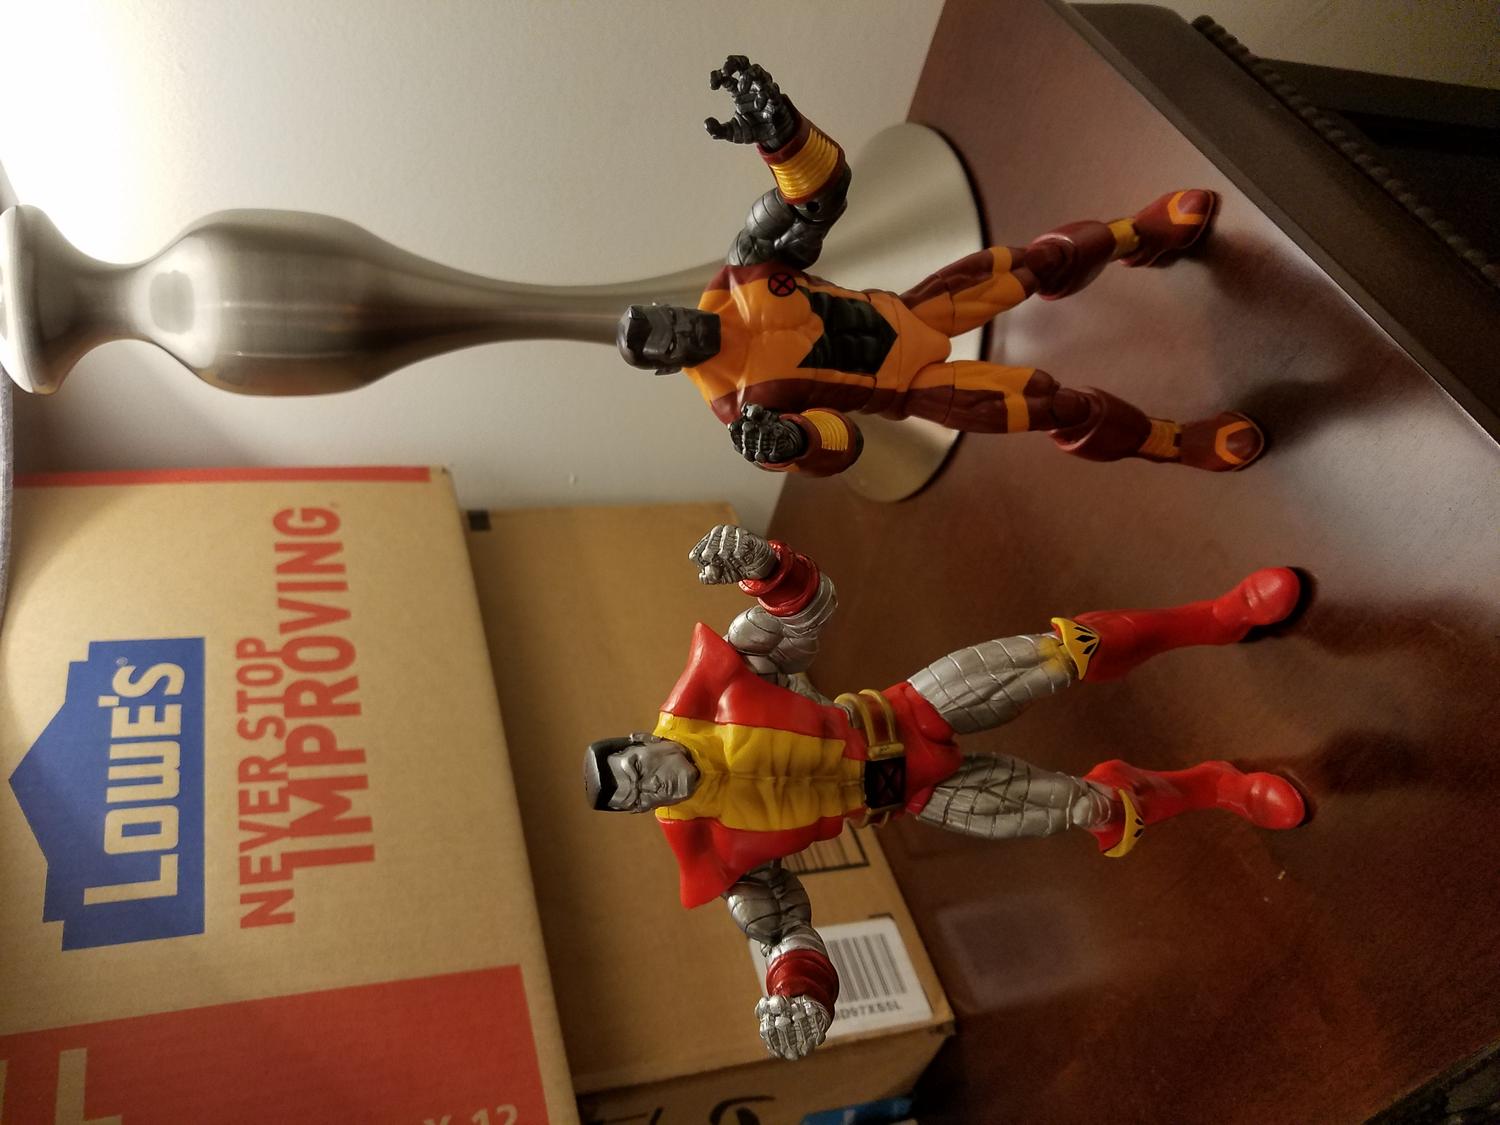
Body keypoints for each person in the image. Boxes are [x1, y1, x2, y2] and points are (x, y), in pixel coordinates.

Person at [583, 525, 1305, 1059]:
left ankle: (1220, 616)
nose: (648, 784)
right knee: (1086, 807)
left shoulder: (720, 682)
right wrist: (798, 993)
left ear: (642, 738)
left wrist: (763, 566)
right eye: (635, 797)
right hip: (913, 794)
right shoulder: (709, 848)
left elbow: (806, 611)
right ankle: (1218, 788)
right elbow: (779, 927)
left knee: (1060, 654)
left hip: (906, 712)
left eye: (636, 768)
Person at [618, 56, 1262, 477]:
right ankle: (1171, 442)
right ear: (669, 367)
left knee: (1042, 260)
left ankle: (1136, 236)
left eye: (668, 317)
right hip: (915, 385)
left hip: (913, 311)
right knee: (1051, 403)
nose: (680, 329)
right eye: (668, 343)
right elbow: (844, 444)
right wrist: (797, 445)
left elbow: (820, 198)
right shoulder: (742, 410)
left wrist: (783, 138)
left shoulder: (741, 275)